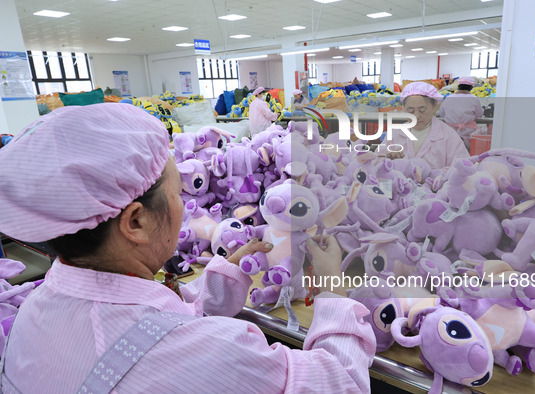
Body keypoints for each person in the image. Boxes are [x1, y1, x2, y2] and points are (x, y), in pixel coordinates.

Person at [0, 104, 375, 393]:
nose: (183, 205)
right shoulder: (213, 355)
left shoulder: (37, 309)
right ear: (136, 222)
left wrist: (226, 272)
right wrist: (331, 290)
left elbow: (152, 328)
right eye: (177, 190)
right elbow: (341, 382)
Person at [387, 81, 469, 169]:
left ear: (434, 106)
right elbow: (376, 164)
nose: (416, 116)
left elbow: (463, 168)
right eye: (410, 111)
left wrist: (437, 176)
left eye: (422, 110)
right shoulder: (395, 134)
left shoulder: (449, 136)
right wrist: (388, 160)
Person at [438, 76, 484, 150]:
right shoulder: (474, 99)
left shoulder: (449, 98)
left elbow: (441, 113)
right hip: (468, 132)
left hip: (450, 131)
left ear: (458, 87)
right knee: (467, 154)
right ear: (471, 88)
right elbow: (479, 114)